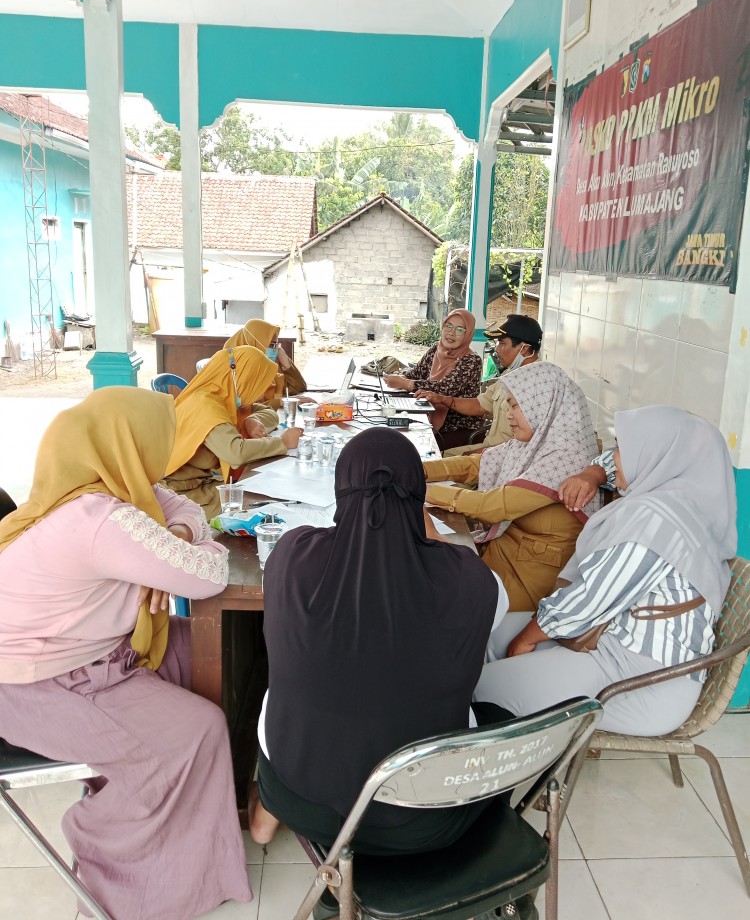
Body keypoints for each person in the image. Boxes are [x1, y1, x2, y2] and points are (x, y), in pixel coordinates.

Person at [0, 387, 251, 920]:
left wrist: (174, 538)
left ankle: (203, 816)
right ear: (132, 443)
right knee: (197, 729)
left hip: (100, 653)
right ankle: (111, 847)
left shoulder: (100, 486)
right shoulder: (98, 519)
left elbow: (183, 506)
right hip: (41, 684)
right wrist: (177, 555)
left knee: (228, 648)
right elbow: (211, 574)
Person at [250, 427, 506, 855]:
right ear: (418, 496)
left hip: (301, 802)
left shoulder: (291, 555)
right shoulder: (471, 580)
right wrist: (427, 530)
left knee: (295, 689)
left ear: (340, 491)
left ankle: (265, 815)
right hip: (423, 821)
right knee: (495, 716)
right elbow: (496, 605)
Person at [474, 406, 737, 736]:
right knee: (483, 632)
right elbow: (609, 467)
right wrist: (592, 475)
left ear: (658, 458)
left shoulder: (658, 522)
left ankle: (494, 749)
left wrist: (523, 642)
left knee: (481, 686)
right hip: (610, 639)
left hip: (639, 681)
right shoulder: (687, 499)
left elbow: (588, 601)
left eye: (624, 449)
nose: (613, 458)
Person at [422, 361, 600, 610]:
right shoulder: (536, 443)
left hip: (523, 583)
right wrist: (417, 469)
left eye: (516, 406)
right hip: (499, 557)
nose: (508, 415)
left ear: (543, 404)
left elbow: (493, 506)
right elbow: (476, 464)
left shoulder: (567, 457)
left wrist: (422, 489)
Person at [163, 346, 302, 517]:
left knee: (270, 495)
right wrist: (283, 443)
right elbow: (235, 453)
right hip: (181, 492)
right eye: (257, 385)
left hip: (202, 482)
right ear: (244, 378)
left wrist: (252, 420)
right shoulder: (205, 406)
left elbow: (268, 412)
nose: (260, 394)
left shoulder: (223, 396)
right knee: (263, 506)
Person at [416, 314, 543, 456]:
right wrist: (442, 399)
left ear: (523, 348)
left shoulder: (536, 384)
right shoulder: (511, 373)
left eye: (502, 343)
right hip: (489, 448)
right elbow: (480, 405)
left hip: (504, 456)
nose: (496, 349)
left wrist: (477, 454)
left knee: (433, 459)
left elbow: (524, 442)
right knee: (433, 456)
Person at [383, 309, 484, 449]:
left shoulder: (472, 361)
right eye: (448, 326)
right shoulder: (436, 349)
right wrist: (399, 376)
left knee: (411, 447)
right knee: (391, 435)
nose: (451, 333)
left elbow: (444, 389)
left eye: (460, 330)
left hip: (458, 429)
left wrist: (406, 383)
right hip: (428, 417)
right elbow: (416, 373)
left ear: (468, 335)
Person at [224, 317, 306, 407]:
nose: (275, 349)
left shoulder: (265, 367)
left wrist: (285, 360)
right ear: (253, 343)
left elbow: (299, 387)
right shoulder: (234, 368)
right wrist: (282, 402)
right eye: (271, 344)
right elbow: (244, 407)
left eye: (276, 345)